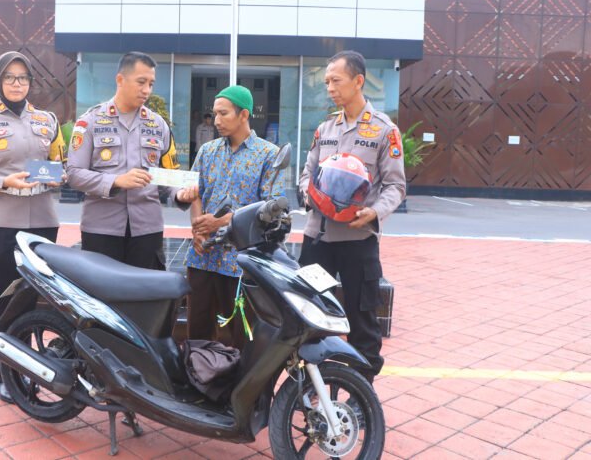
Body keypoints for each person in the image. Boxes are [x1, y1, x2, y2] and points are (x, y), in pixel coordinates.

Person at [0, 51, 65, 403]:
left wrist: (56, 175)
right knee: (0, 304)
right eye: (9, 77)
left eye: (23, 78)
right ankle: (3, 375)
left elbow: (59, 164)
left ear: (31, 81)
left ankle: (29, 371)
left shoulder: (47, 121)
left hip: (42, 225)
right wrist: (4, 182)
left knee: (33, 303)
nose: (17, 84)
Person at [298, 50, 406, 384]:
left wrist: (375, 212)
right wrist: (307, 193)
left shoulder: (384, 131)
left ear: (358, 81)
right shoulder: (325, 128)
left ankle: (362, 395)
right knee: (309, 316)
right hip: (318, 239)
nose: (330, 88)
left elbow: (395, 186)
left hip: (358, 241)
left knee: (363, 323)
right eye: (327, 82)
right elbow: (307, 174)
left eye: (336, 81)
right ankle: (311, 390)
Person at [66, 52, 196, 269]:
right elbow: (74, 173)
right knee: (103, 288)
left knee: (146, 288)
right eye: (141, 82)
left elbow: (167, 175)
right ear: (120, 80)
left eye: (151, 84)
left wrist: (180, 193)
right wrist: (116, 181)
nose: (147, 90)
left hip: (147, 230)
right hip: (102, 229)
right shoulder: (90, 122)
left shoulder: (158, 125)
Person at [185, 85, 284, 349]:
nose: (216, 120)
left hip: (240, 263)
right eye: (215, 113)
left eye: (223, 113)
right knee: (197, 334)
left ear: (244, 115)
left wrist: (220, 222)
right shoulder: (207, 151)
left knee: (241, 337)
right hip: (203, 257)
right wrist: (198, 229)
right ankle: (197, 373)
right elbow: (195, 193)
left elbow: (271, 209)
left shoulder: (268, 154)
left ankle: (237, 378)